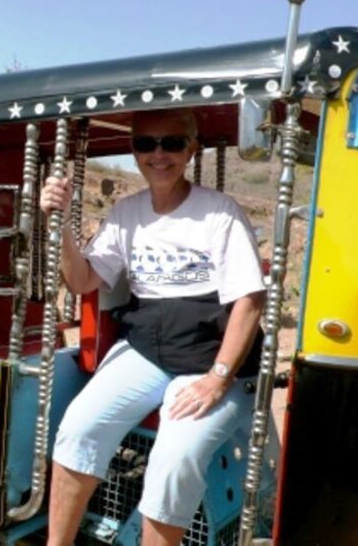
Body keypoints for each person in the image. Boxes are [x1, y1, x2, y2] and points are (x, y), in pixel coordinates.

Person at [40, 108, 265, 546]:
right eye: (146, 144)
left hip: (208, 359)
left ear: (191, 149)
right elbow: (84, 279)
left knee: (174, 457)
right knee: (79, 427)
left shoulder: (220, 213)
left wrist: (218, 379)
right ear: (134, 150)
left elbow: (250, 301)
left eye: (172, 143)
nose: (158, 154)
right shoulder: (128, 213)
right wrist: (61, 223)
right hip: (147, 349)